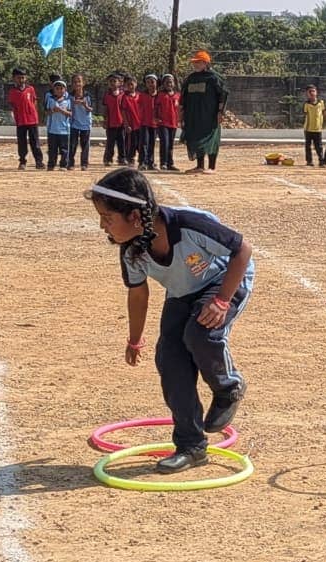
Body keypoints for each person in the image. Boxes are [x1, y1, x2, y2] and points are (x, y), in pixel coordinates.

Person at [86, 168, 255, 474]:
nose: (101, 225)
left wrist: (221, 301)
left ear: (135, 216)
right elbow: (138, 295)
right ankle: (191, 446)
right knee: (170, 360)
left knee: (200, 334)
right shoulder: (132, 252)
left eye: (107, 217)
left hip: (223, 279)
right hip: (182, 291)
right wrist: (135, 339)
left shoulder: (188, 224)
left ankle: (228, 386)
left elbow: (241, 250)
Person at [180, 50, 229, 174]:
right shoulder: (191, 78)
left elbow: (223, 94)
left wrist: (220, 112)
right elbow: (183, 97)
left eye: (198, 62)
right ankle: (200, 166)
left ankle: (212, 167)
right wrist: (181, 113)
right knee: (196, 139)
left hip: (209, 116)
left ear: (206, 63)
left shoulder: (214, 78)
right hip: (193, 116)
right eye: (194, 62)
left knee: (211, 140)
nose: (195, 65)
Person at [8, 68, 42, 170]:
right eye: (19, 78)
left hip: (32, 120)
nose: (21, 80)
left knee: (35, 142)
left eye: (23, 77)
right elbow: (12, 105)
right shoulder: (12, 92)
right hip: (21, 121)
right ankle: (22, 161)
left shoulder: (30, 89)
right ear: (14, 78)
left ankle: (39, 161)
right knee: (22, 142)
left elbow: (34, 101)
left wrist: (34, 114)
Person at [45, 79, 73, 171]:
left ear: (65, 90)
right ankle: (51, 164)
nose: (59, 90)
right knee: (52, 149)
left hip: (64, 130)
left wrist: (61, 110)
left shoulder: (68, 100)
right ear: (54, 89)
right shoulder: (50, 100)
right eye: (57, 88)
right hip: (52, 129)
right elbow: (46, 112)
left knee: (64, 149)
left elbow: (70, 113)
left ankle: (63, 165)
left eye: (61, 88)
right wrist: (53, 110)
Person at [155, 74, 181, 171]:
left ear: (174, 83)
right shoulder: (160, 95)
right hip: (163, 123)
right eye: (166, 82)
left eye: (170, 82)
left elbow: (180, 109)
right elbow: (156, 107)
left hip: (173, 123)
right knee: (164, 142)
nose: (169, 84)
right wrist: (156, 117)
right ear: (163, 84)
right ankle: (164, 163)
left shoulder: (177, 95)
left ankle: (170, 163)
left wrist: (180, 120)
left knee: (170, 144)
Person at [70, 73, 94, 171]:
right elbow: (67, 108)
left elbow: (91, 109)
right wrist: (72, 104)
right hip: (74, 123)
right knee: (72, 144)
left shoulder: (88, 95)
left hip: (85, 124)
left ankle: (84, 163)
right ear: (72, 84)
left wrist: (85, 105)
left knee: (85, 145)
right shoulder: (69, 96)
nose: (77, 84)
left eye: (79, 81)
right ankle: (70, 163)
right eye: (75, 82)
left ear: (83, 83)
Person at [102, 72, 126, 166]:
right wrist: (105, 120)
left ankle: (122, 159)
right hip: (111, 123)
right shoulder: (107, 95)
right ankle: (108, 159)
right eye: (110, 81)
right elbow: (105, 109)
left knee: (122, 142)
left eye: (114, 81)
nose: (112, 83)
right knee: (110, 143)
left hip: (121, 123)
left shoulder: (123, 95)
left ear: (120, 83)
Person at [120, 75, 142, 168]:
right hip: (131, 125)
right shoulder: (125, 97)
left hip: (140, 124)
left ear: (136, 84)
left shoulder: (140, 96)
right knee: (131, 143)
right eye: (128, 85)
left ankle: (143, 159)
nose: (130, 86)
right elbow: (123, 111)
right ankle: (130, 159)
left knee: (141, 143)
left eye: (132, 84)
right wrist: (126, 124)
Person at [140, 74, 160, 170]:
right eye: (148, 82)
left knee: (152, 143)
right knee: (144, 143)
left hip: (155, 124)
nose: (150, 84)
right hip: (144, 123)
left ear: (156, 83)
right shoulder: (142, 95)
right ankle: (142, 162)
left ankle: (151, 163)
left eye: (152, 82)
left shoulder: (160, 95)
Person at [302, 84, 325, 167]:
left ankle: (321, 160)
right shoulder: (306, 104)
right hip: (308, 129)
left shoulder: (320, 103)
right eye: (309, 92)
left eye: (313, 91)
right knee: (308, 146)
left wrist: (323, 123)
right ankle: (309, 161)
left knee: (319, 146)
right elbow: (306, 115)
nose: (312, 93)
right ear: (307, 94)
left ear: (316, 92)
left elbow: (323, 113)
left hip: (318, 128)